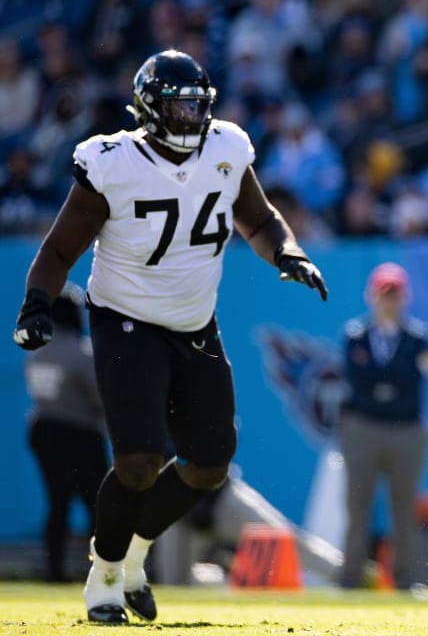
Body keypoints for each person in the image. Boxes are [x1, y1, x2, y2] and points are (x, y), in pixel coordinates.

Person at [12, 49, 328, 624]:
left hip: (194, 324)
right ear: (150, 110)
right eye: (179, 107)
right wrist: (36, 305)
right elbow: (60, 249)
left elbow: (257, 220)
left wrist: (288, 252)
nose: (191, 119)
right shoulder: (112, 161)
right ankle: (104, 578)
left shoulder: (228, 148)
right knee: (138, 460)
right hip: (125, 320)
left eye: (197, 106)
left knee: (210, 463)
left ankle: (134, 552)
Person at [337, 262, 428, 589]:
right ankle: (350, 577)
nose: (389, 302)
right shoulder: (356, 335)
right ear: (372, 297)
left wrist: (382, 384)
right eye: (384, 295)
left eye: (394, 295)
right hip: (364, 427)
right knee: (357, 505)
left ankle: (405, 578)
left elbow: (416, 378)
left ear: (404, 297)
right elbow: (358, 378)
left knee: (404, 507)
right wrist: (390, 383)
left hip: (405, 429)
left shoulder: (419, 337)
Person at [24, 284, 108, 583]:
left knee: (57, 502)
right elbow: (100, 399)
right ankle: (101, 569)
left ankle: (54, 569)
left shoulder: (37, 353)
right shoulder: (80, 352)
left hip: (43, 430)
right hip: (80, 434)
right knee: (97, 506)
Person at [151, 471, 345, 586]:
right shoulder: (145, 415)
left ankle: (351, 574)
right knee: (175, 584)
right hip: (176, 513)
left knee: (284, 540)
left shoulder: (195, 405)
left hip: (218, 498)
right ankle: (226, 577)